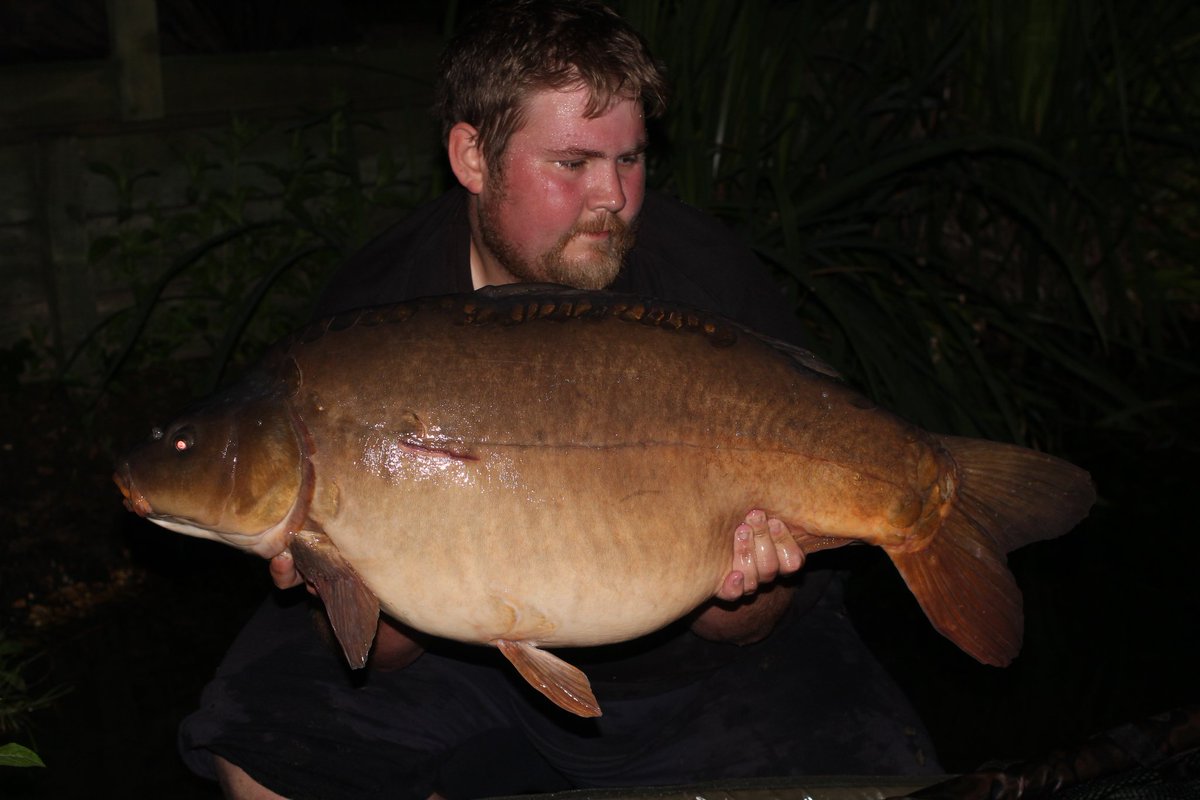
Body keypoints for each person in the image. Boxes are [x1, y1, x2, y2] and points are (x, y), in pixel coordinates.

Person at [179, 2, 939, 797]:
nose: (613, 197)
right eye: (573, 164)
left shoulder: (706, 284)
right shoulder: (372, 316)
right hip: (467, 665)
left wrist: (745, 586)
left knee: (882, 774)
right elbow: (381, 654)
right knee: (259, 744)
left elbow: (743, 630)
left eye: (632, 158)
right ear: (473, 156)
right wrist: (342, 572)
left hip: (707, 679)